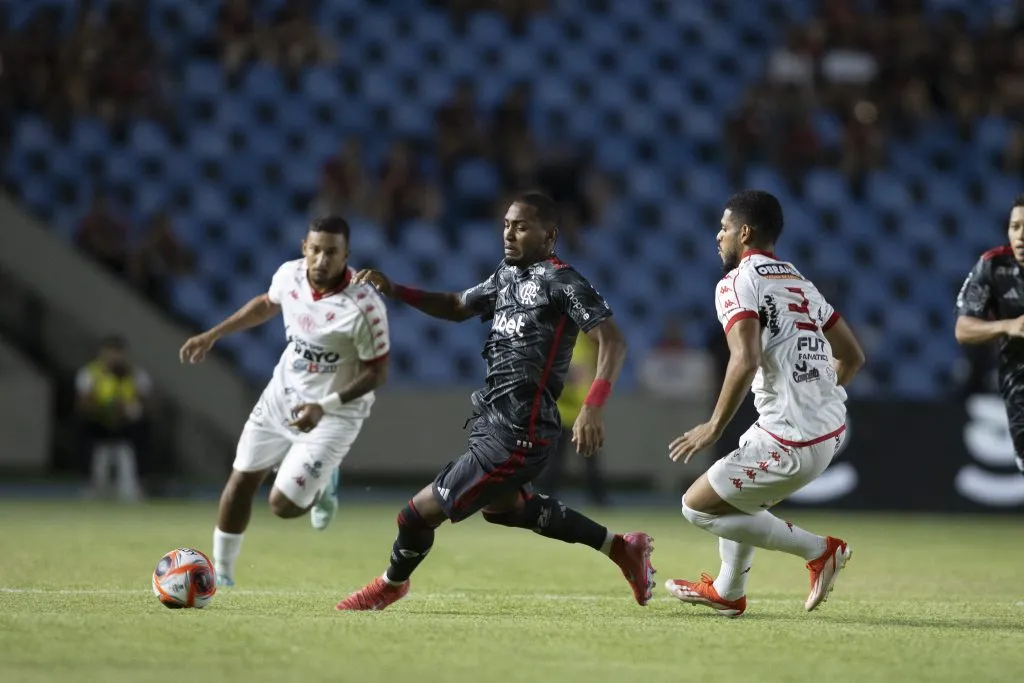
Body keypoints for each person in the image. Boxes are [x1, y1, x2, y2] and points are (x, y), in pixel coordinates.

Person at [337, 193, 655, 611]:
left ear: (550, 234)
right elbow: (454, 305)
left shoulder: (563, 282)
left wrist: (593, 407)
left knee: (413, 516)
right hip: (494, 423)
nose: (508, 232)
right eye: (506, 224)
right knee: (506, 508)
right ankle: (621, 548)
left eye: (521, 226)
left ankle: (391, 584)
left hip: (521, 432)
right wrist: (395, 289)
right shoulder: (506, 276)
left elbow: (613, 341)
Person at [664, 190, 865, 616]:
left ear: (746, 232)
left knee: (696, 507)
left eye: (724, 227)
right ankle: (728, 590)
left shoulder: (738, 281)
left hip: (791, 439)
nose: (718, 236)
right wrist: (820, 393)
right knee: (737, 497)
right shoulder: (798, 281)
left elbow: (746, 357)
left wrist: (713, 426)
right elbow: (852, 355)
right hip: (824, 431)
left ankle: (819, 550)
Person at [179, 216, 389, 587]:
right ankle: (221, 576)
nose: (322, 259)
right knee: (241, 479)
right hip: (282, 396)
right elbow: (265, 304)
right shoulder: (289, 275)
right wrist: (214, 335)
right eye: (316, 250)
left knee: (282, 506)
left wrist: (324, 406)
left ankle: (324, 484)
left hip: (335, 413)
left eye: (332, 252)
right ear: (304, 249)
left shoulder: (364, 308)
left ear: (347, 256)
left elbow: (377, 373)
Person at [955, 194, 1024, 479]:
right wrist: (1006, 326)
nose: (1020, 236)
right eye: (1015, 227)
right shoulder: (995, 266)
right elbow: (964, 329)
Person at [75, 335, 151, 502]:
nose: (114, 358)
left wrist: (129, 411)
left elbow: (145, 405)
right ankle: (89, 482)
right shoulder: (90, 374)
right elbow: (83, 405)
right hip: (99, 421)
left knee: (144, 430)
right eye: (110, 353)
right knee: (82, 429)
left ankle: (139, 482)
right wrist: (105, 409)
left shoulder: (136, 374)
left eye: (118, 353)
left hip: (127, 423)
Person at [537, 332, 609, 505]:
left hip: (582, 412)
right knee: (557, 459)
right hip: (563, 412)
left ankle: (598, 497)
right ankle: (547, 495)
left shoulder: (583, 342)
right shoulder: (561, 342)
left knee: (588, 458)